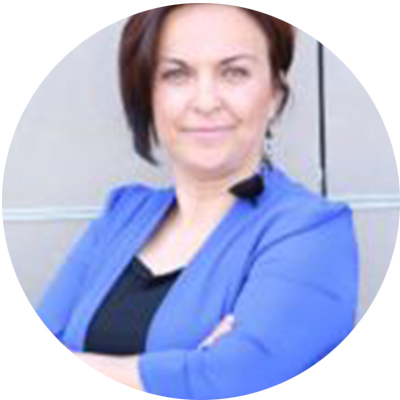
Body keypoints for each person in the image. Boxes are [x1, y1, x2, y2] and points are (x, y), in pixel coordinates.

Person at [36, 4, 359, 399]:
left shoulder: (312, 231)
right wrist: (187, 370)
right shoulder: (122, 215)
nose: (205, 102)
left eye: (234, 72)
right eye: (177, 74)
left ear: (274, 94)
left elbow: (236, 381)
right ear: (148, 95)